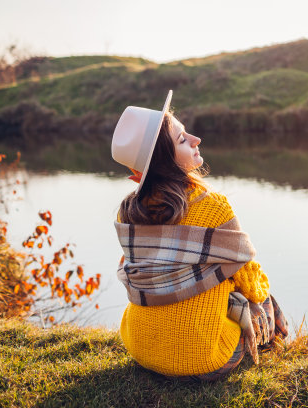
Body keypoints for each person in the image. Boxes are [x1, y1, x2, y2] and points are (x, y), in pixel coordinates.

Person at [111, 90, 288, 381]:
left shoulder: (128, 212)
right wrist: (257, 300)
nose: (196, 140)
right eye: (182, 139)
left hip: (140, 349)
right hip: (205, 360)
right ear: (165, 160)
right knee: (264, 297)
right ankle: (280, 350)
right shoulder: (213, 207)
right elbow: (250, 282)